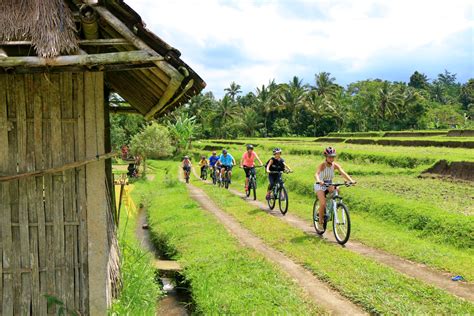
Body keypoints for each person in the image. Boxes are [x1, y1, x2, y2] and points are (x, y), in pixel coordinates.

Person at [314, 147, 356, 225]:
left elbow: (343, 173)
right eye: (330, 157)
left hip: (329, 183)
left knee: (337, 190)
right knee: (322, 203)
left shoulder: (335, 165)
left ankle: (331, 207)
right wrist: (318, 180)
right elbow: (316, 174)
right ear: (326, 157)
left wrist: (351, 180)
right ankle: (320, 222)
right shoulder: (322, 165)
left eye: (333, 157)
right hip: (320, 185)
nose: (331, 159)